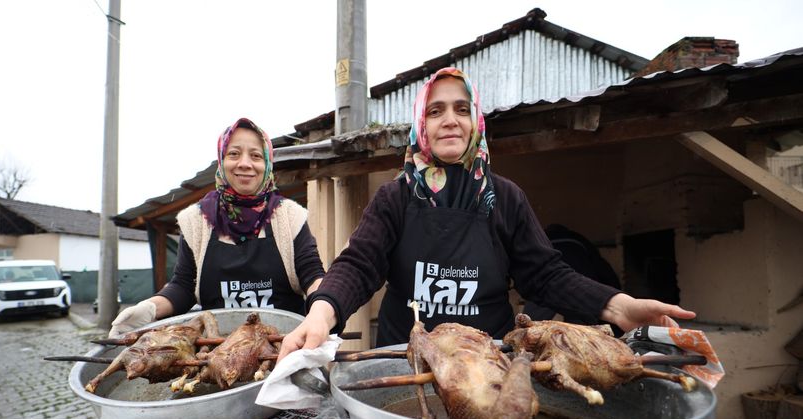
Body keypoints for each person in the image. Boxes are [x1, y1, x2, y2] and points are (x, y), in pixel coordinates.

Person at [277, 68, 694, 359]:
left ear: (476, 119)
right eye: (435, 111)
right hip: (404, 359)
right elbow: (359, 264)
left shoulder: (506, 198)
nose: (450, 121)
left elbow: (547, 274)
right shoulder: (396, 198)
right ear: (420, 124)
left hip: (487, 360)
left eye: (461, 109)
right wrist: (322, 312)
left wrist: (619, 307)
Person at [109, 118, 325, 337]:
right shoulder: (197, 221)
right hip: (213, 351)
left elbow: (313, 275)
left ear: (267, 164)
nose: (245, 163)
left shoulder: (290, 217)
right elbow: (184, 287)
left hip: (283, 346)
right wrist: (151, 308)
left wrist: (323, 310)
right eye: (234, 154)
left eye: (256, 156)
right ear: (222, 160)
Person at [522, 223, 622, 330]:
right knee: (582, 331)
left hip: (544, 283)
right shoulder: (579, 239)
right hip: (579, 285)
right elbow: (603, 269)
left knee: (530, 327)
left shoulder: (539, 239)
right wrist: (616, 291)